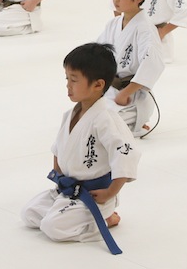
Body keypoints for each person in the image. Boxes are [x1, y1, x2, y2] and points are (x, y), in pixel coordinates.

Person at [21, 43, 139, 253]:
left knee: (53, 228)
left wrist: (110, 192)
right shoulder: (70, 115)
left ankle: (104, 218)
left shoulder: (106, 119)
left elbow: (126, 155)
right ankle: (71, 214)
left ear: (98, 84)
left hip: (94, 194)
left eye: (74, 80)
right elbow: (58, 148)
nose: (68, 86)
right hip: (67, 189)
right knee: (29, 214)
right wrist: (59, 174)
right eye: (67, 79)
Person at [95, 0, 163, 136]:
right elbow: (98, 53)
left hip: (132, 97)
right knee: (84, 116)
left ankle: (136, 122)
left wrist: (125, 93)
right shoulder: (113, 24)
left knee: (103, 126)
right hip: (110, 89)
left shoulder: (146, 29)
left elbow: (152, 66)